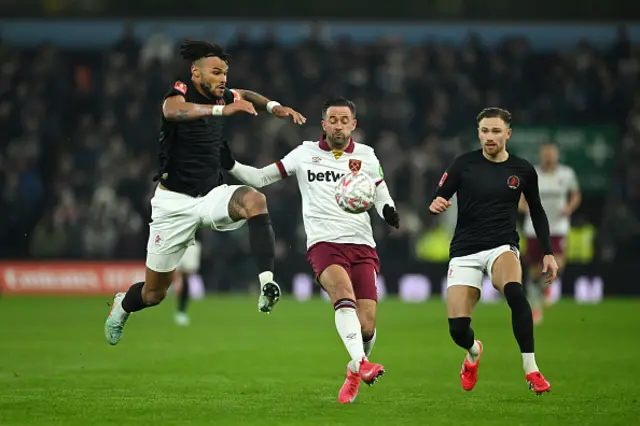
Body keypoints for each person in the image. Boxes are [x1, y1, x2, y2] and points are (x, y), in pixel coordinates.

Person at [105, 40, 306, 345]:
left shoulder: (224, 95)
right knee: (154, 293)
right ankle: (123, 305)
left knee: (254, 200)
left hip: (211, 195)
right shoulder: (179, 94)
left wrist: (273, 107)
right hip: (173, 203)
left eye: (225, 72)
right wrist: (221, 111)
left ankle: (267, 283)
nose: (223, 78)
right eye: (216, 72)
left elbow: (245, 94)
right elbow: (174, 112)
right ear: (196, 74)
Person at [221, 97, 400, 404]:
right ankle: (363, 363)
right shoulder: (305, 154)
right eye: (333, 119)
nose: (339, 125)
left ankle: (355, 367)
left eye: (345, 120)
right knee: (342, 294)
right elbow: (262, 178)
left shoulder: (368, 157)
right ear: (324, 124)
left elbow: (380, 193)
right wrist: (232, 165)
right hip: (324, 243)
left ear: (353, 125)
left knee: (367, 325)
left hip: (361, 244)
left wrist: (389, 212)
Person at [429, 107, 558, 395]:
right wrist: (436, 203)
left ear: (507, 134)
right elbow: (438, 195)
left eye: (496, 131)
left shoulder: (522, 170)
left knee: (515, 291)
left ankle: (532, 370)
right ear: (479, 133)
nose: (489, 136)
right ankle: (474, 352)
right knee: (458, 330)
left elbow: (537, 211)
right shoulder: (463, 164)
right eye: (485, 131)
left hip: (501, 246)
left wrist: (548, 251)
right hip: (464, 250)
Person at [519, 142, 581, 325]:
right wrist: (524, 208)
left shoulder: (567, 174)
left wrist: (570, 207)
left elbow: (576, 194)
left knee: (558, 261)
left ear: (556, 156)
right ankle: (536, 306)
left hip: (558, 226)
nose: (548, 157)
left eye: (551, 154)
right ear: (541, 156)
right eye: (545, 154)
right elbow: (520, 198)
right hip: (534, 228)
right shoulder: (532, 173)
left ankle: (546, 288)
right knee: (534, 269)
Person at [173, 234, 202, 326]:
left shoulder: (195, 246)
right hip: (180, 267)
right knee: (183, 287)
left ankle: (181, 311)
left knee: (185, 286)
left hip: (185, 268)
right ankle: (181, 312)